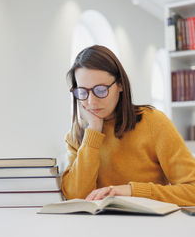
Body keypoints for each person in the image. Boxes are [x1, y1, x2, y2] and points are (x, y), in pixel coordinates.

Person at [61, 45, 195, 206]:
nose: (91, 101)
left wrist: (130, 191)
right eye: (82, 92)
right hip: (96, 228)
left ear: (120, 85)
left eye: (101, 90)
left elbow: (192, 190)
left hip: (150, 227)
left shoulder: (153, 122)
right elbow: (75, 197)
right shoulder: (78, 133)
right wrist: (94, 131)